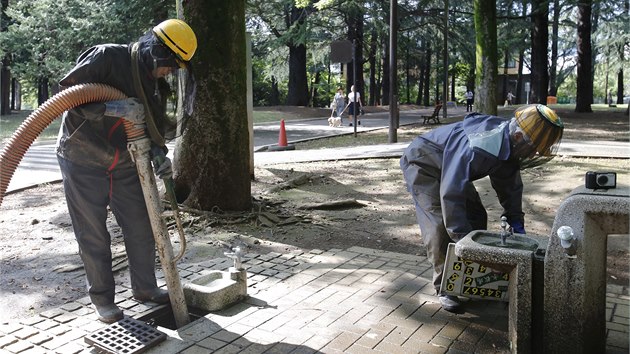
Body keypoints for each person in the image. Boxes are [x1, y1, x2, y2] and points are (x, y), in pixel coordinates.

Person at [55, 19, 197, 323]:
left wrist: (160, 154)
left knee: (142, 226)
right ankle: (103, 300)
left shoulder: (153, 80)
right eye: (172, 64)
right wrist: (112, 108)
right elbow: (67, 94)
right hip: (83, 158)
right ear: (158, 50)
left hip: (125, 161)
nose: (171, 72)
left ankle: (145, 289)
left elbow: (152, 125)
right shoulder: (107, 57)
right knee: (93, 234)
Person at [400, 104, 563, 312]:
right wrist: (465, 242)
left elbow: (510, 187)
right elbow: (451, 193)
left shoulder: (509, 145)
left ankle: (473, 279)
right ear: (519, 137)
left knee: (476, 215)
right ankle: (445, 287)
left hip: (451, 166)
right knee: (440, 226)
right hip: (424, 163)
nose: (532, 155)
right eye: (533, 149)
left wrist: (516, 222)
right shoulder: (480, 145)